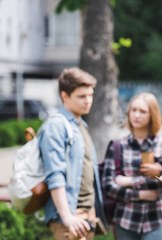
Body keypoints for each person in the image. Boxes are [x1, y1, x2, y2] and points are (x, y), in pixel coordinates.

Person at [38, 68, 107, 239]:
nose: (88, 101)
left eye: (90, 95)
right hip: (69, 216)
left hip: (86, 214)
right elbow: (55, 174)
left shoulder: (80, 124)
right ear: (65, 96)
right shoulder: (56, 125)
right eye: (82, 96)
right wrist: (67, 216)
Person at [102, 93, 162, 240]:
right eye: (133, 110)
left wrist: (129, 181)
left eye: (142, 111)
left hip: (157, 218)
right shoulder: (117, 146)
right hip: (125, 219)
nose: (136, 115)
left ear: (152, 115)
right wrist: (141, 194)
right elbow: (109, 186)